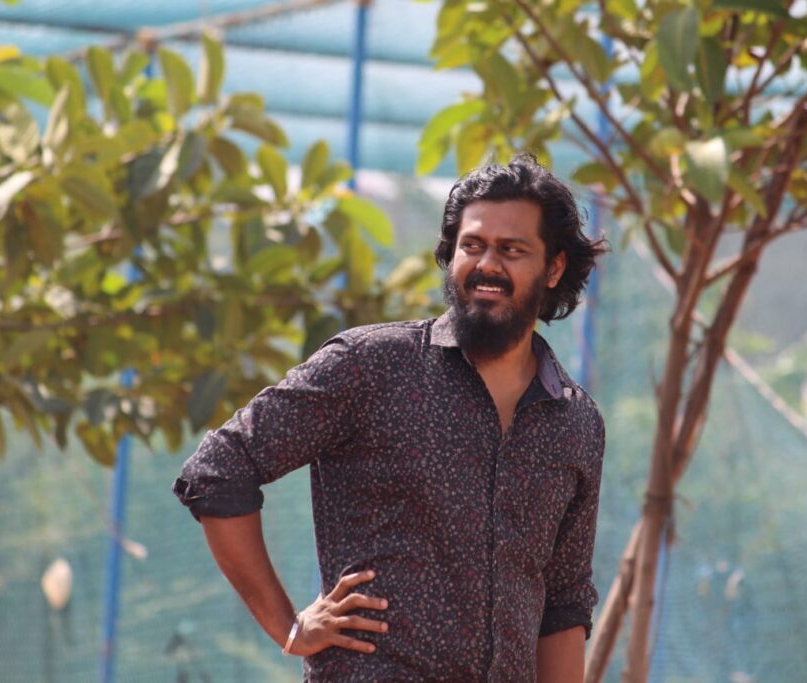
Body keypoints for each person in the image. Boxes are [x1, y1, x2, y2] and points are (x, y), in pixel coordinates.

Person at [172, 154, 609, 682]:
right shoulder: (372, 366)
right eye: (472, 246)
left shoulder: (575, 423)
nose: (488, 265)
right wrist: (289, 627)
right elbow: (219, 469)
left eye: (511, 250)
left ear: (554, 268)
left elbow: (562, 603)